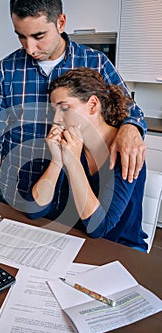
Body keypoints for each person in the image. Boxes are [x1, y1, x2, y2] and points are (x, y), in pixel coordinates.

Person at [0, 0, 146, 227]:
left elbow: (131, 111)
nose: (30, 49)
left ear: (61, 22)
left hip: (74, 203)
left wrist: (130, 128)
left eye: (38, 36)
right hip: (20, 196)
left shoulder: (96, 62)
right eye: (21, 36)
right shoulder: (7, 70)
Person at [26, 67, 148, 252]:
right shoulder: (73, 144)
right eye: (54, 111)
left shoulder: (127, 149)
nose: (57, 119)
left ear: (93, 104)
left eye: (65, 108)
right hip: (77, 242)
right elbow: (35, 210)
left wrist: (73, 161)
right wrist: (57, 160)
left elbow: (99, 227)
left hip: (122, 249)